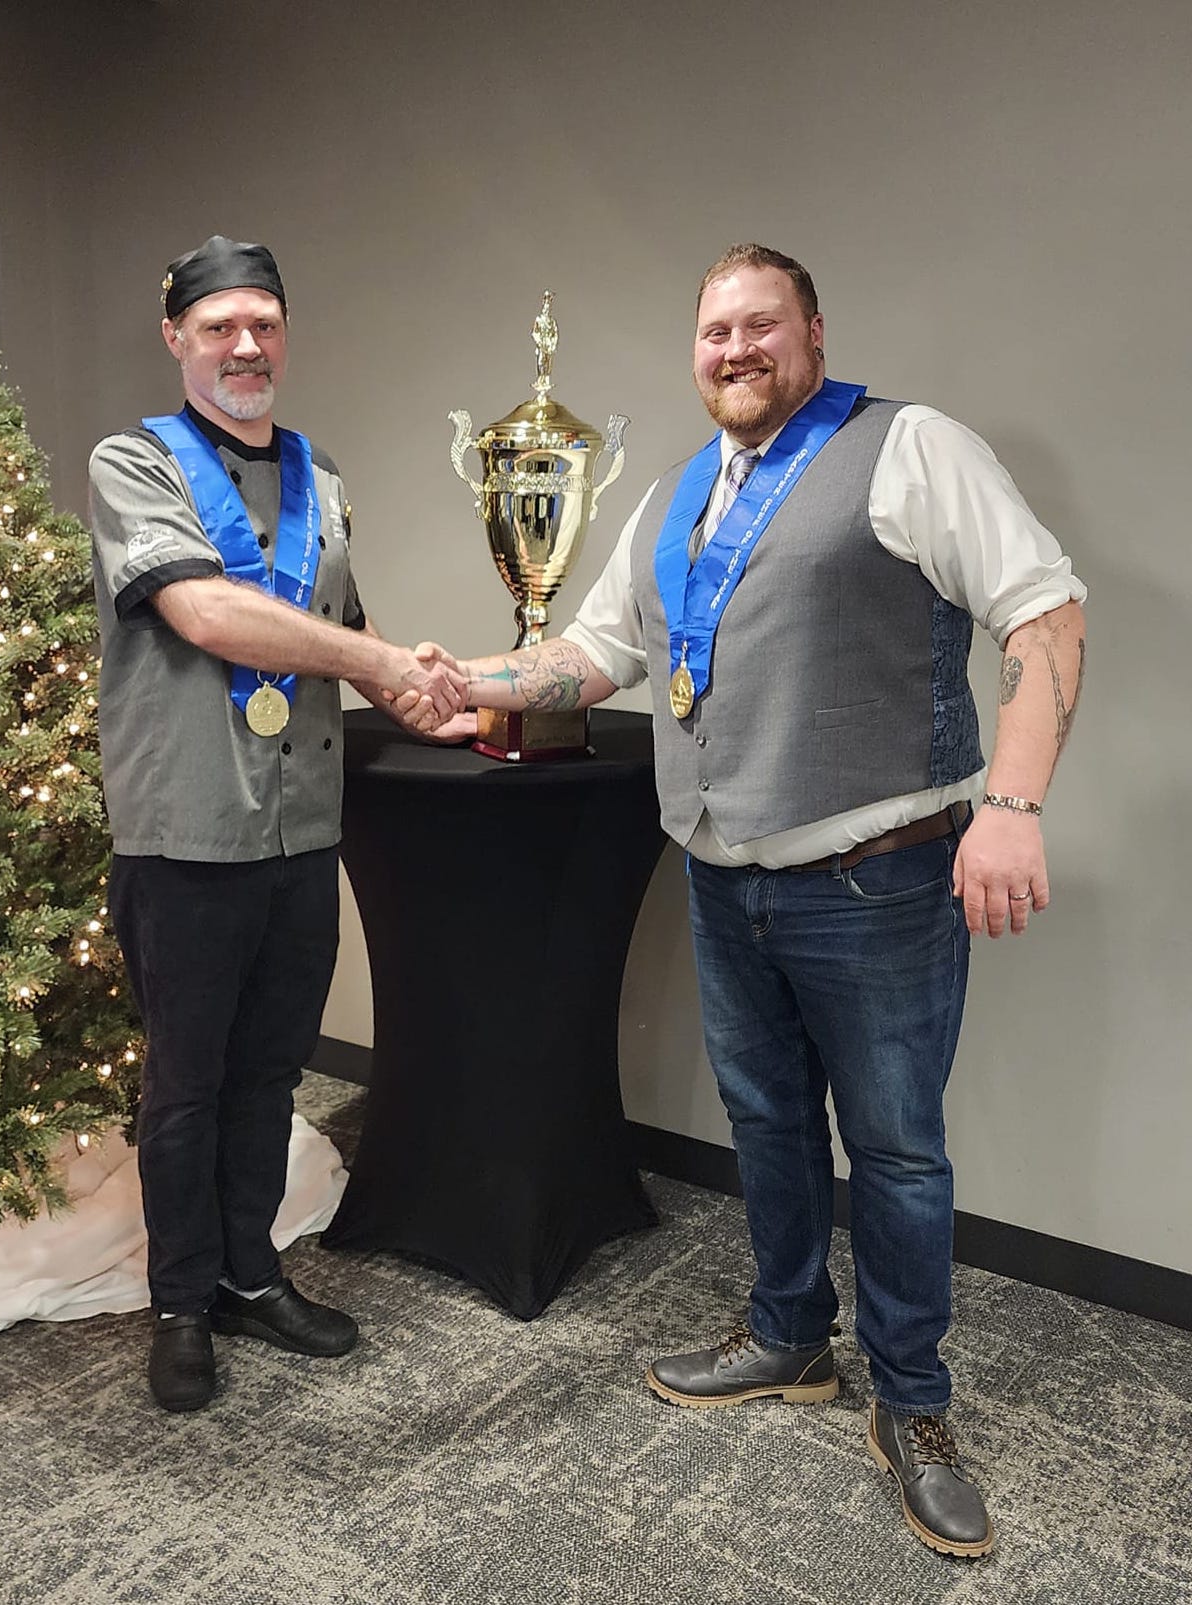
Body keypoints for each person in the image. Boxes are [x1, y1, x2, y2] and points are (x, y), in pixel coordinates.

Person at [431, 243, 1086, 1556]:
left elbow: (1046, 616)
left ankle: (915, 1404)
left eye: (759, 325)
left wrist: (1011, 806)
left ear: (813, 331)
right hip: (725, 881)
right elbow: (599, 651)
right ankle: (792, 1337)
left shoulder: (911, 448)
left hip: (879, 881)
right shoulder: (674, 496)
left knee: (894, 1152)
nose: (733, 350)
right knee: (771, 1129)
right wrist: (471, 681)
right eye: (714, 331)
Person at [87, 235, 462, 1413]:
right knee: (185, 1087)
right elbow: (209, 613)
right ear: (176, 339)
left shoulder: (322, 473)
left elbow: (341, 624)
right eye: (218, 326)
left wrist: (427, 695)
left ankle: (251, 1274)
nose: (244, 346)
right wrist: (381, 660)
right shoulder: (130, 462)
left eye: (264, 323)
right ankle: (180, 1303)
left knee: (267, 1075)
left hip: (301, 828)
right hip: (186, 831)